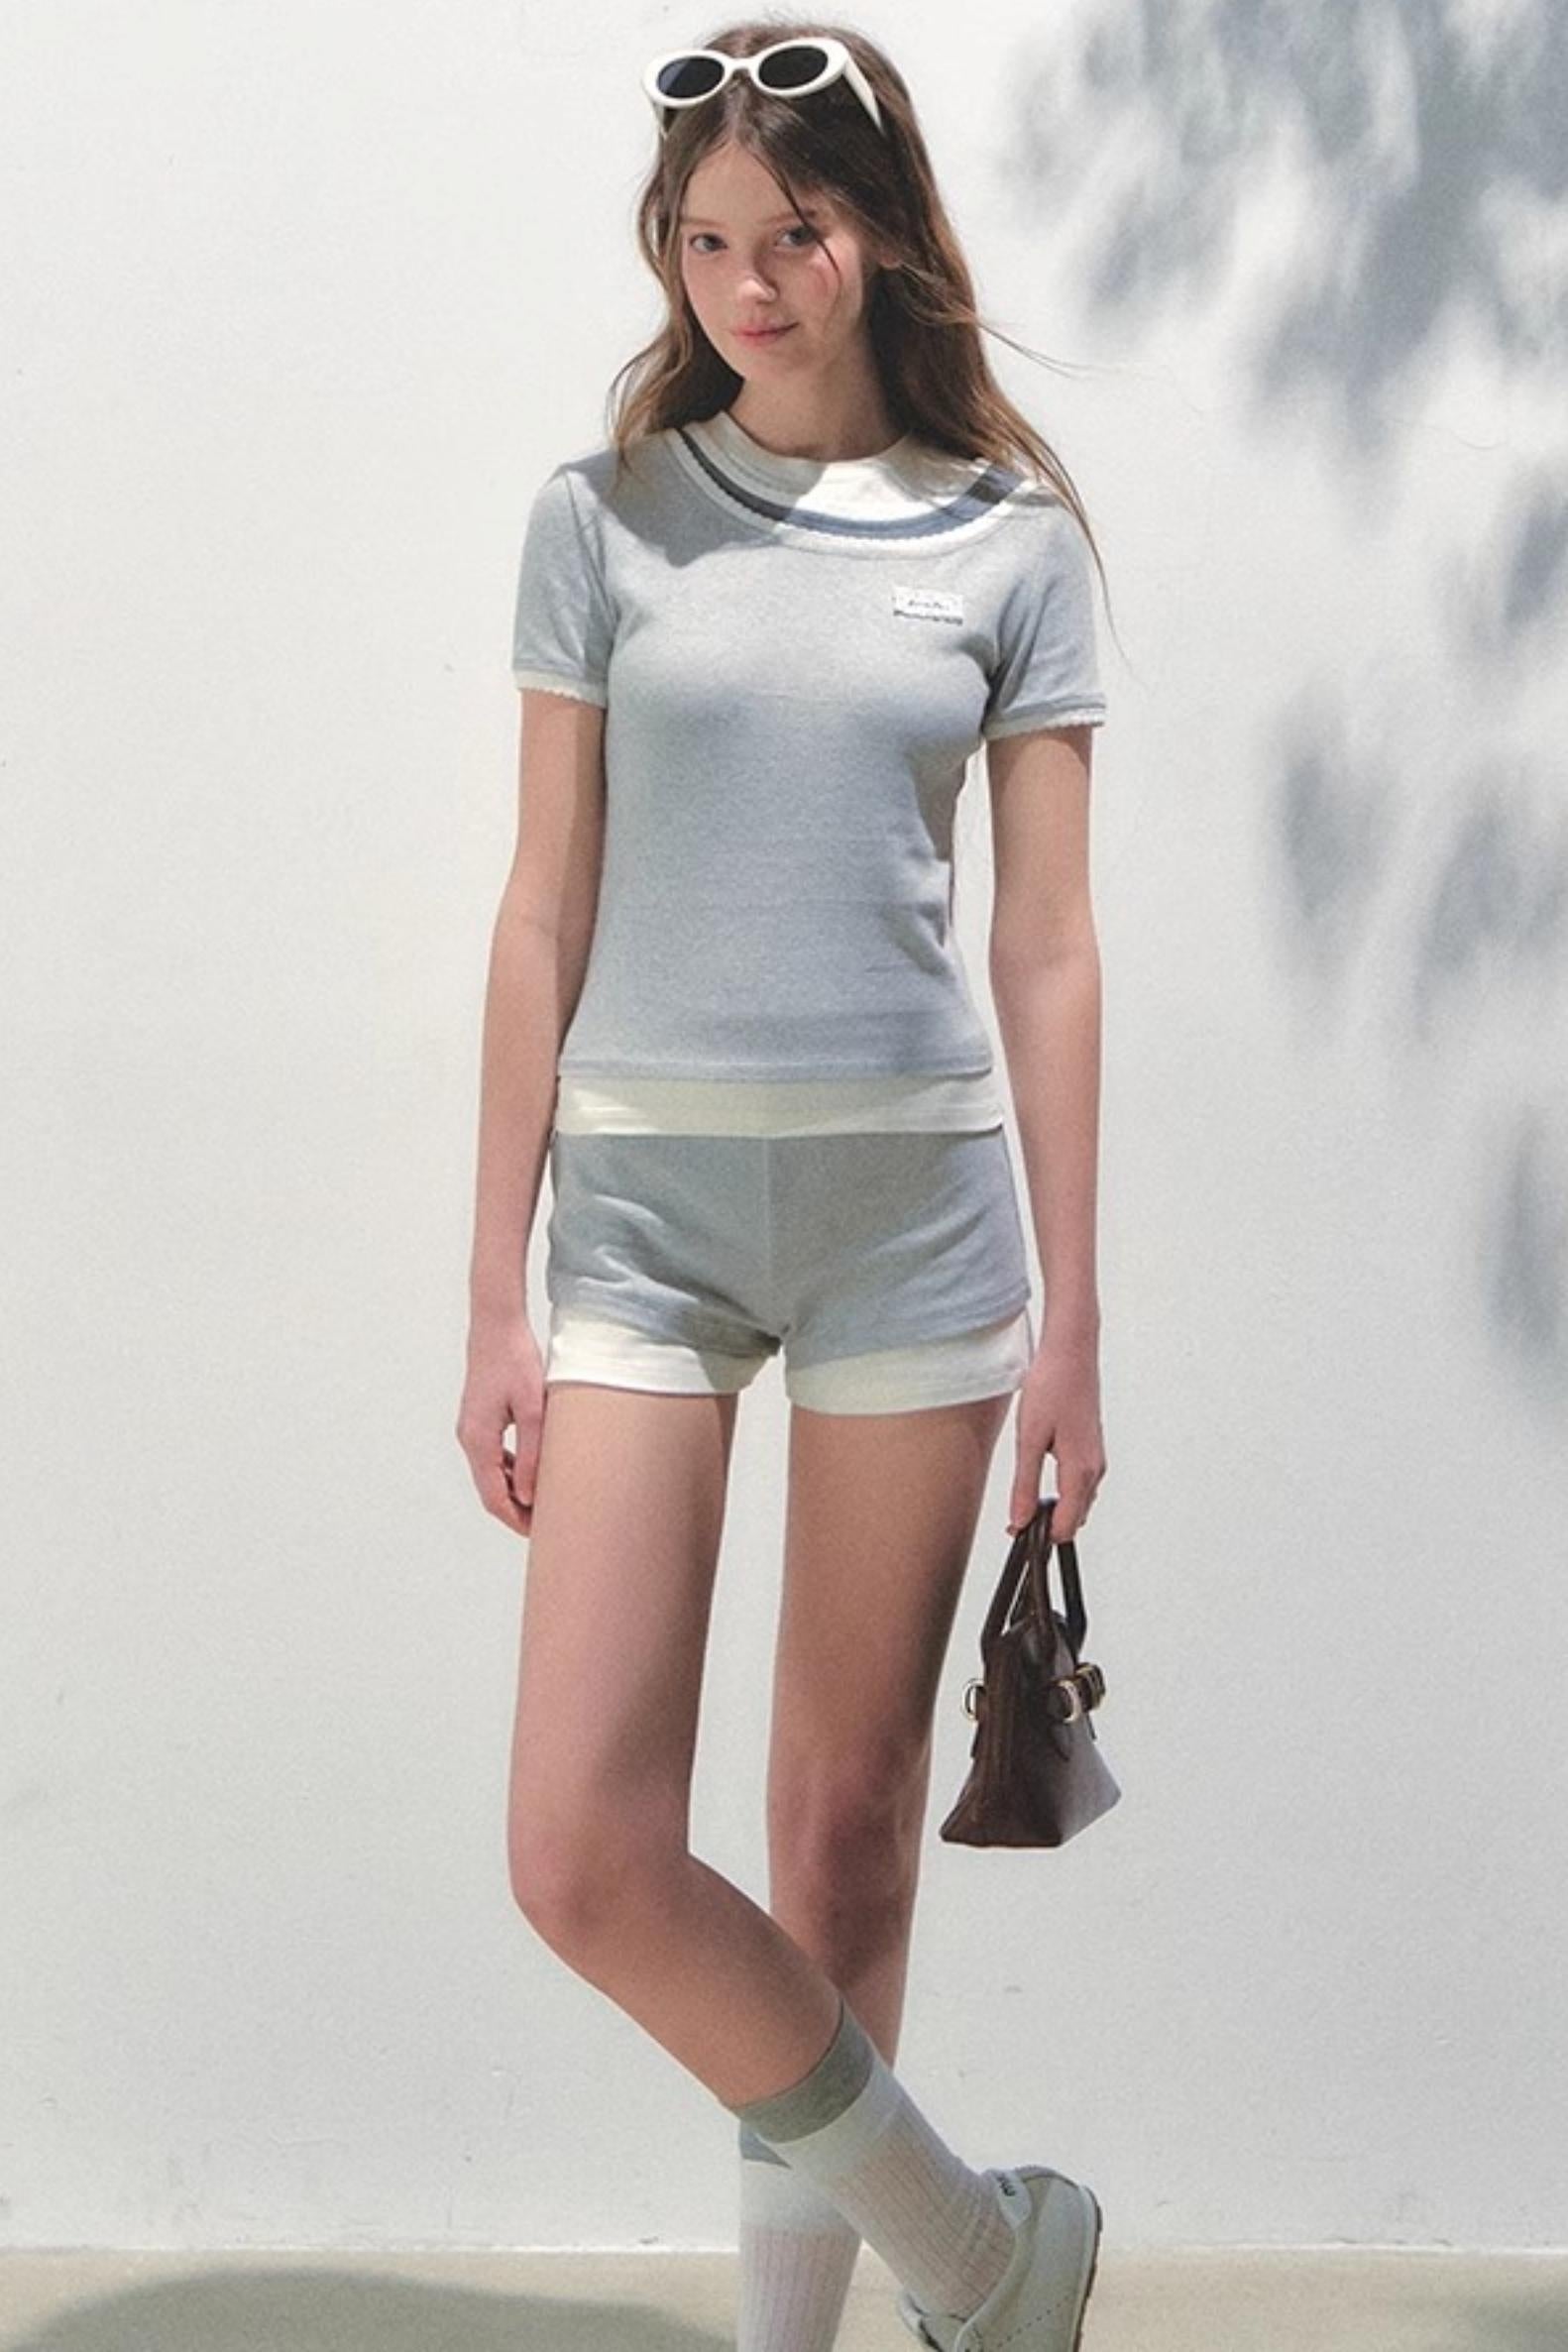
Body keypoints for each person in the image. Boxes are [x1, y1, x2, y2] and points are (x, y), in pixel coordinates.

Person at [457, 24, 1112, 2352]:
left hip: (911, 1233)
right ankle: (984, 2254)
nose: (746, 280)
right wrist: (493, 1292)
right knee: (581, 1846)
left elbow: (1045, 943)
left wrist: (1074, 1313)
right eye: (704, 240)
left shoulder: (1009, 541)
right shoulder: (601, 518)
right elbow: (540, 903)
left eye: (791, 232)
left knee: (840, 1824)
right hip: (638, 1229)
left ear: (880, 232)